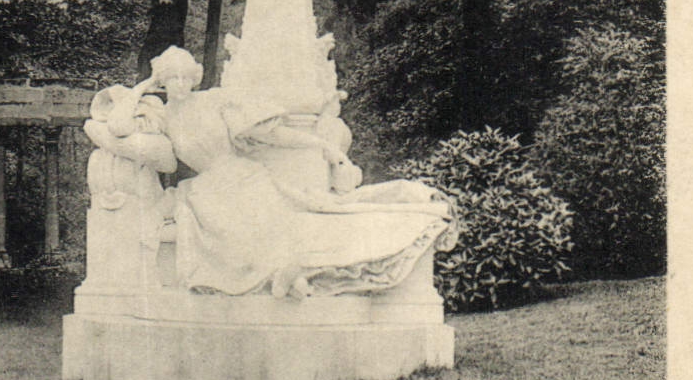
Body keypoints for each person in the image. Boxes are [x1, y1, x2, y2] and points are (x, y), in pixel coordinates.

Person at [123, 47, 452, 299]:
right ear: (162, 81)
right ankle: (284, 276)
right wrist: (142, 87)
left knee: (281, 220)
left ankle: (291, 274)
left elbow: (271, 134)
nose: (179, 84)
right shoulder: (161, 116)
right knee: (232, 228)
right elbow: (119, 125)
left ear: (193, 77)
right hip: (206, 188)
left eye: (184, 76)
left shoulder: (215, 101)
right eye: (171, 78)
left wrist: (321, 146)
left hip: (244, 174)